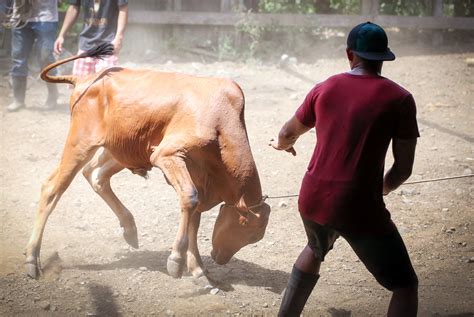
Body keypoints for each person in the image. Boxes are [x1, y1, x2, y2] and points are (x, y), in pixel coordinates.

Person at [270, 22, 419, 317]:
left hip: (312, 198)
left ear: (350, 54)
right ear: (384, 57)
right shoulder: (400, 99)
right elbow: (403, 169)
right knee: (405, 285)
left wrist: (281, 144)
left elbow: (287, 133)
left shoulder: (324, 88)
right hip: (358, 205)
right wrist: (380, 190)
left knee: (315, 247)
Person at [7, 0, 59, 112]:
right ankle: (18, 100)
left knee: (45, 57)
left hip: (46, 17)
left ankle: (52, 93)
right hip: (20, 17)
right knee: (18, 57)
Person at [54, 0, 128, 78]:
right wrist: (61, 35)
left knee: (107, 84)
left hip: (108, 45)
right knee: (80, 85)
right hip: (86, 44)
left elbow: (123, 8)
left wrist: (119, 37)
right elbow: (73, 7)